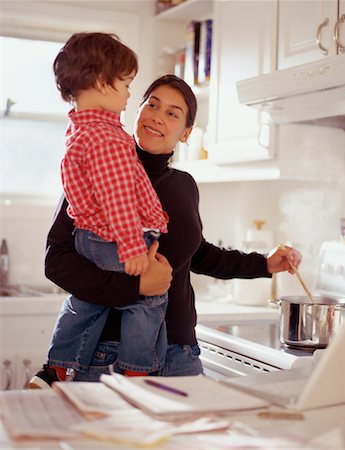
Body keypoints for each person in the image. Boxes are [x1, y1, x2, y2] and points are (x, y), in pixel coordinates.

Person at [29, 74, 301, 387]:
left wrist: (264, 263)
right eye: (152, 105)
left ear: (186, 133)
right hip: (110, 356)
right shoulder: (100, 170)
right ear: (138, 111)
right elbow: (57, 260)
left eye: (172, 113)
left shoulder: (184, 185)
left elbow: (195, 253)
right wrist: (137, 287)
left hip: (181, 354)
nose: (158, 116)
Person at [32, 32, 171, 387]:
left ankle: (59, 366)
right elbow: (117, 198)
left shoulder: (81, 131)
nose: (128, 95)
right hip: (114, 237)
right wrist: (132, 247)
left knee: (87, 300)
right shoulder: (105, 140)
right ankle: (137, 371)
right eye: (125, 84)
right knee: (149, 299)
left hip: (92, 237)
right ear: (100, 82)